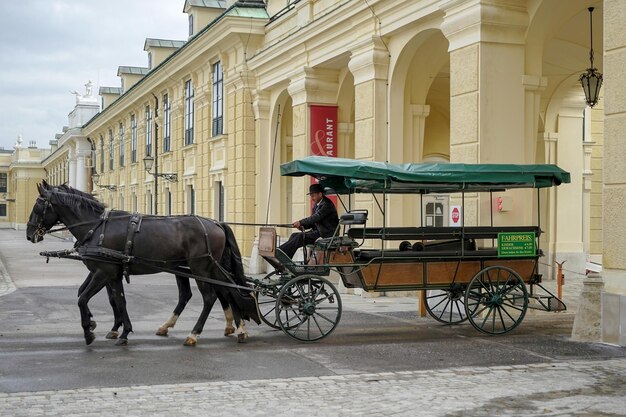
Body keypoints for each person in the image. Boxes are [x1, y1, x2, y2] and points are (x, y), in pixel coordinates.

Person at [278, 183, 339, 259]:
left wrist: (300, 222)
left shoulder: (327, 204)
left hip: (326, 233)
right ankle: (286, 258)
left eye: (313, 195)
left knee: (300, 236)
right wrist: (303, 226)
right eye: (311, 196)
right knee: (294, 235)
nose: (312, 198)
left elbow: (316, 217)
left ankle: (280, 253)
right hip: (319, 231)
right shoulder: (317, 205)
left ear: (320, 194)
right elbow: (313, 222)